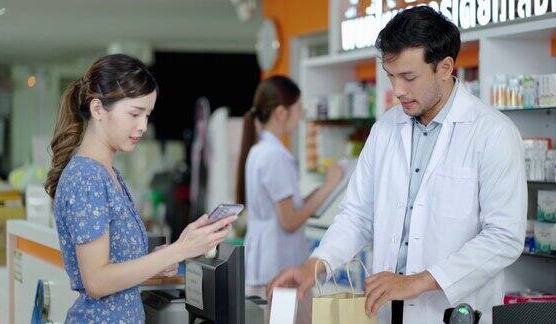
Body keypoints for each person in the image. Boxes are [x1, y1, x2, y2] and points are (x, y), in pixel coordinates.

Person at [268, 7, 526, 324]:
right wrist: (316, 265)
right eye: (391, 76)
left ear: (445, 67)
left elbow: (503, 238)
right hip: (388, 310)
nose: (398, 90)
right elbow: (357, 215)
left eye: (409, 77)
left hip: (453, 311)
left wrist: (420, 280)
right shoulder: (386, 129)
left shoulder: (492, 133)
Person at [45, 54, 237, 323]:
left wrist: (169, 253)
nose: (143, 126)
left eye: (147, 115)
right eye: (135, 113)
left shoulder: (108, 172)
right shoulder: (86, 178)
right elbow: (97, 281)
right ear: (98, 109)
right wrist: (178, 250)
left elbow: (115, 262)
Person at [235, 75, 343, 299]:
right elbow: (290, 221)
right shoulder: (275, 156)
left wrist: (321, 191)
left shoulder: (260, 150)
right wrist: (330, 185)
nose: (301, 115)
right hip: (276, 265)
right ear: (281, 113)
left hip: (264, 262)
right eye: (298, 109)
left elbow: (286, 210)